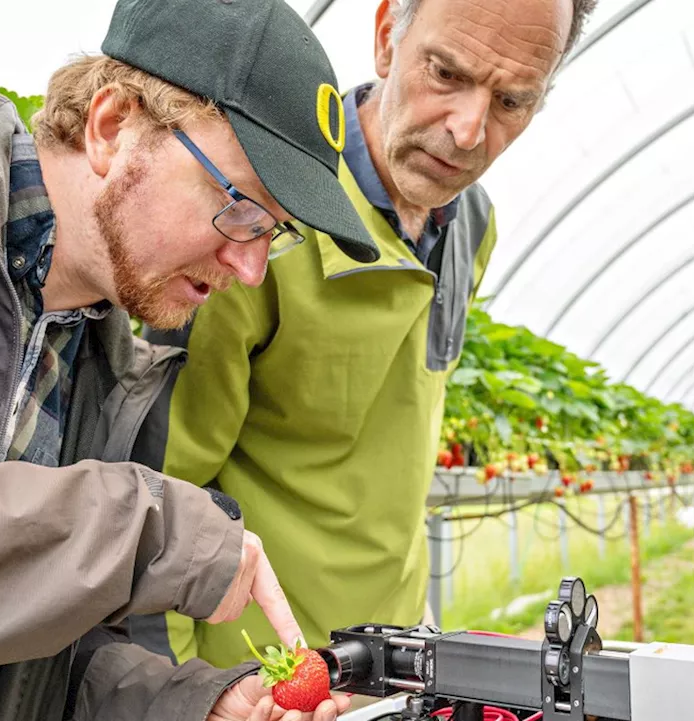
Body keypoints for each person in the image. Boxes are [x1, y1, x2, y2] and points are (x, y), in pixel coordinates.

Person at [0, 0, 378, 718]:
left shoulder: (116, 360)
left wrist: (189, 704)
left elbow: (35, 651)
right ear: (112, 126)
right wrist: (141, 528)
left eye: (273, 233)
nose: (249, 267)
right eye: (239, 206)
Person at [134, 0, 598, 669]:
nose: (469, 132)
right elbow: (160, 488)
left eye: (512, 100)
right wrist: (179, 696)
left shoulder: (471, 221)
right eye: (445, 73)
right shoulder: (263, 215)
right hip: (267, 675)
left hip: (399, 657)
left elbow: (399, 433)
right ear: (386, 39)